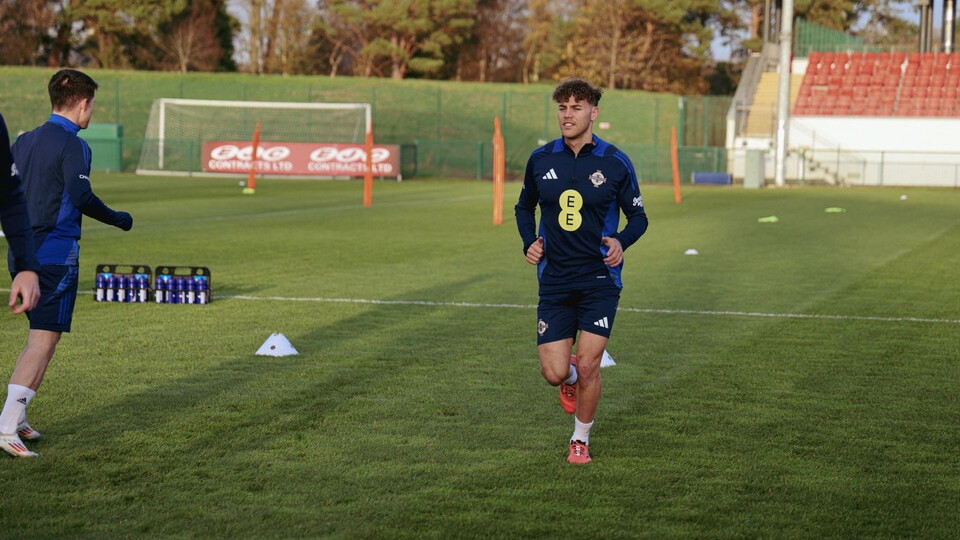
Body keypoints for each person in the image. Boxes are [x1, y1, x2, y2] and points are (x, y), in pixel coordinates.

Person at [0, 70, 133, 458]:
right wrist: (118, 218)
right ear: (83, 103)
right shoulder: (75, 144)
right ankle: (7, 427)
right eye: (93, 104)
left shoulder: (22, 140)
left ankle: (16, 418)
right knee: (44, 340)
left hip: (22, 253)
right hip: (56, 255)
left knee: (38, 337)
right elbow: (80, 194)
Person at [515, 78, 648, 464]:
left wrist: (621, 240)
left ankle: (580, 439)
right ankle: (569, 379)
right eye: (562, 107)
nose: (568, 114)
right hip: (554, 278)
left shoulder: (614, 162)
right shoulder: (541, 159)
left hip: (599, 280)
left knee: (590, 363)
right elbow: (525, 207)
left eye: (576, 107)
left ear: (594, 113)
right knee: (555, 373)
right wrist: (529, 242)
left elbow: (639, 216)